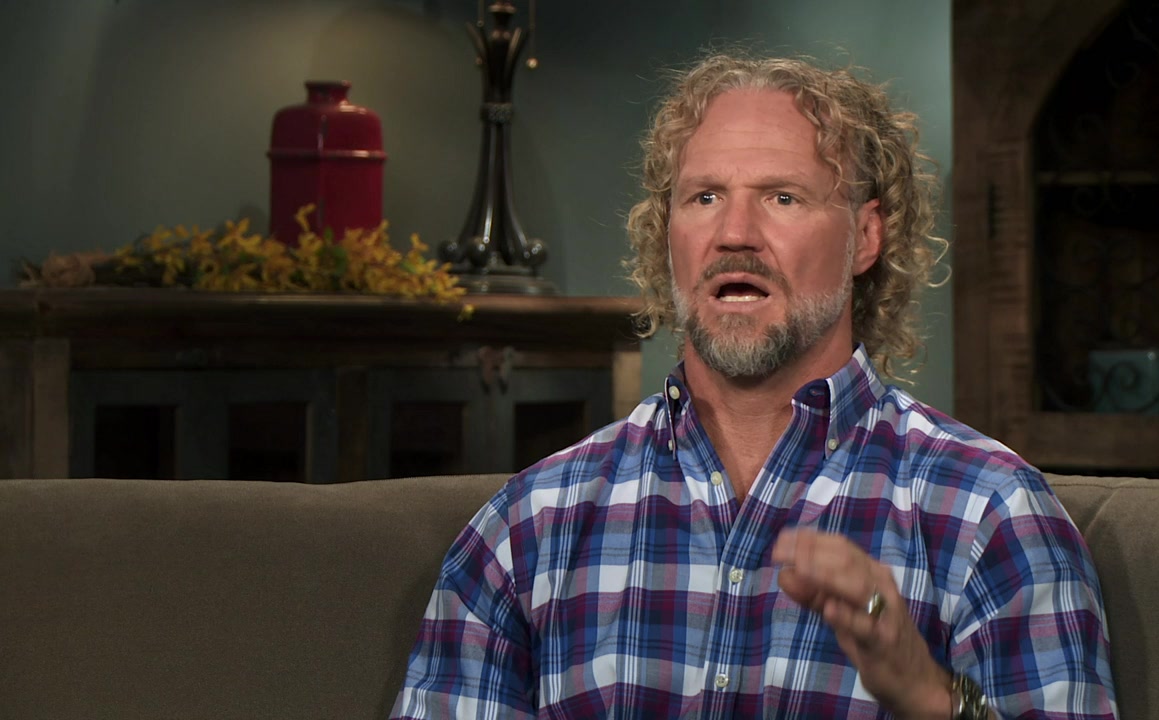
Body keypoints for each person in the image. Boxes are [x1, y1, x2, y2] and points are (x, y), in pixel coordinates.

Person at [390, 53, 1117, 720]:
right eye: (704, 196)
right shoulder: (529, 526)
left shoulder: (991, 514)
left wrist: (934, 699)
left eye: (782, 198)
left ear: (866, 237)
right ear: (667, 233)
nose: (734, 232)